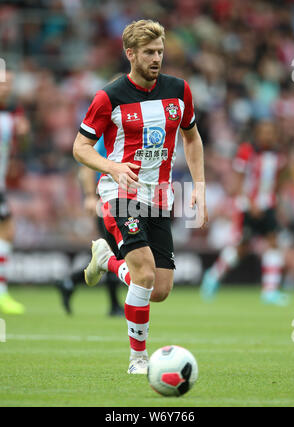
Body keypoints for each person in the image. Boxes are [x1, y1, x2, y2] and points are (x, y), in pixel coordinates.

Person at [73, 19, 208, 374]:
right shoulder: (109, 96)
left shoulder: (179, 90)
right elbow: (80, 147)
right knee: (145, 275)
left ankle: (107, 261)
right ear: (130, 53)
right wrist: (112, 167)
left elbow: (191, 138)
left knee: (159, 288)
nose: (156, 58)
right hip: (121, 192)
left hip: (160, 196)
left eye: (160, 52)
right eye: (149, 52)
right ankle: (138, 359)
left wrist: (199, 185)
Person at [201, 120, 289, 306]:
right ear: (257, 134)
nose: (268, 136)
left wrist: (277, 205)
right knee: (241, 248)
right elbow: (239, 179)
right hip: (248, 206)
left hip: (268, 205)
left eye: (271, 132)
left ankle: (270, 291)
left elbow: (278, 181)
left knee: (273, 243)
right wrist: (249, 202)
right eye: (264, 132)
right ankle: (213, 276)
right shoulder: (247, 151)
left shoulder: (278, 154)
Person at [57, 136, 124, 316]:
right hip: (104, 194)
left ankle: (69, 281)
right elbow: (86, 165)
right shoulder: (104, 134)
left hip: (120, 195)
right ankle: (114, 305)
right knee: (113, 248)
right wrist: (89, 196)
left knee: (113, 250)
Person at [0, 70, 29, 314]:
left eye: (10, 82)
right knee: (6, 230)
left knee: (7, 231)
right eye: (3, 83)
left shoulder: (12, 111)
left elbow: (21, 141)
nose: (7, 87)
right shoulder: (8, 117)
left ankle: (2, 293)